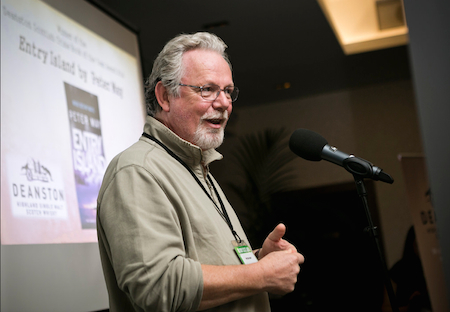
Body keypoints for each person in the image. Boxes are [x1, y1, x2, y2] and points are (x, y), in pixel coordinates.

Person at [96, 32, 304, 312]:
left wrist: (258, 260)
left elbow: (210, 263)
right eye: (207, 89)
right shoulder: (137, 170)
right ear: (164, 95)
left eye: (228, 91)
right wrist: (261, 274)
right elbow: (157, 287)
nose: (224, 103)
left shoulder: (196, 166)